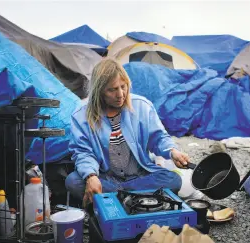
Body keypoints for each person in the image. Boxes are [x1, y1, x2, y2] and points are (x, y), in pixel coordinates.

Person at [65, 58, 190, 207]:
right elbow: (83, 152)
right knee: (73, 181)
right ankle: (136, 198)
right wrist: (91, 176)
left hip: (140, 176)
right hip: (107, 179)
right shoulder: (81, 115)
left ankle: (119, 198)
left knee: (173, 180)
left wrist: (172, 151)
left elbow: (159, 137)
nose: (120, 94)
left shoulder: (142, 106)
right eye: (112, 89)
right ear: (99, 91)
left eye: (123, 87)